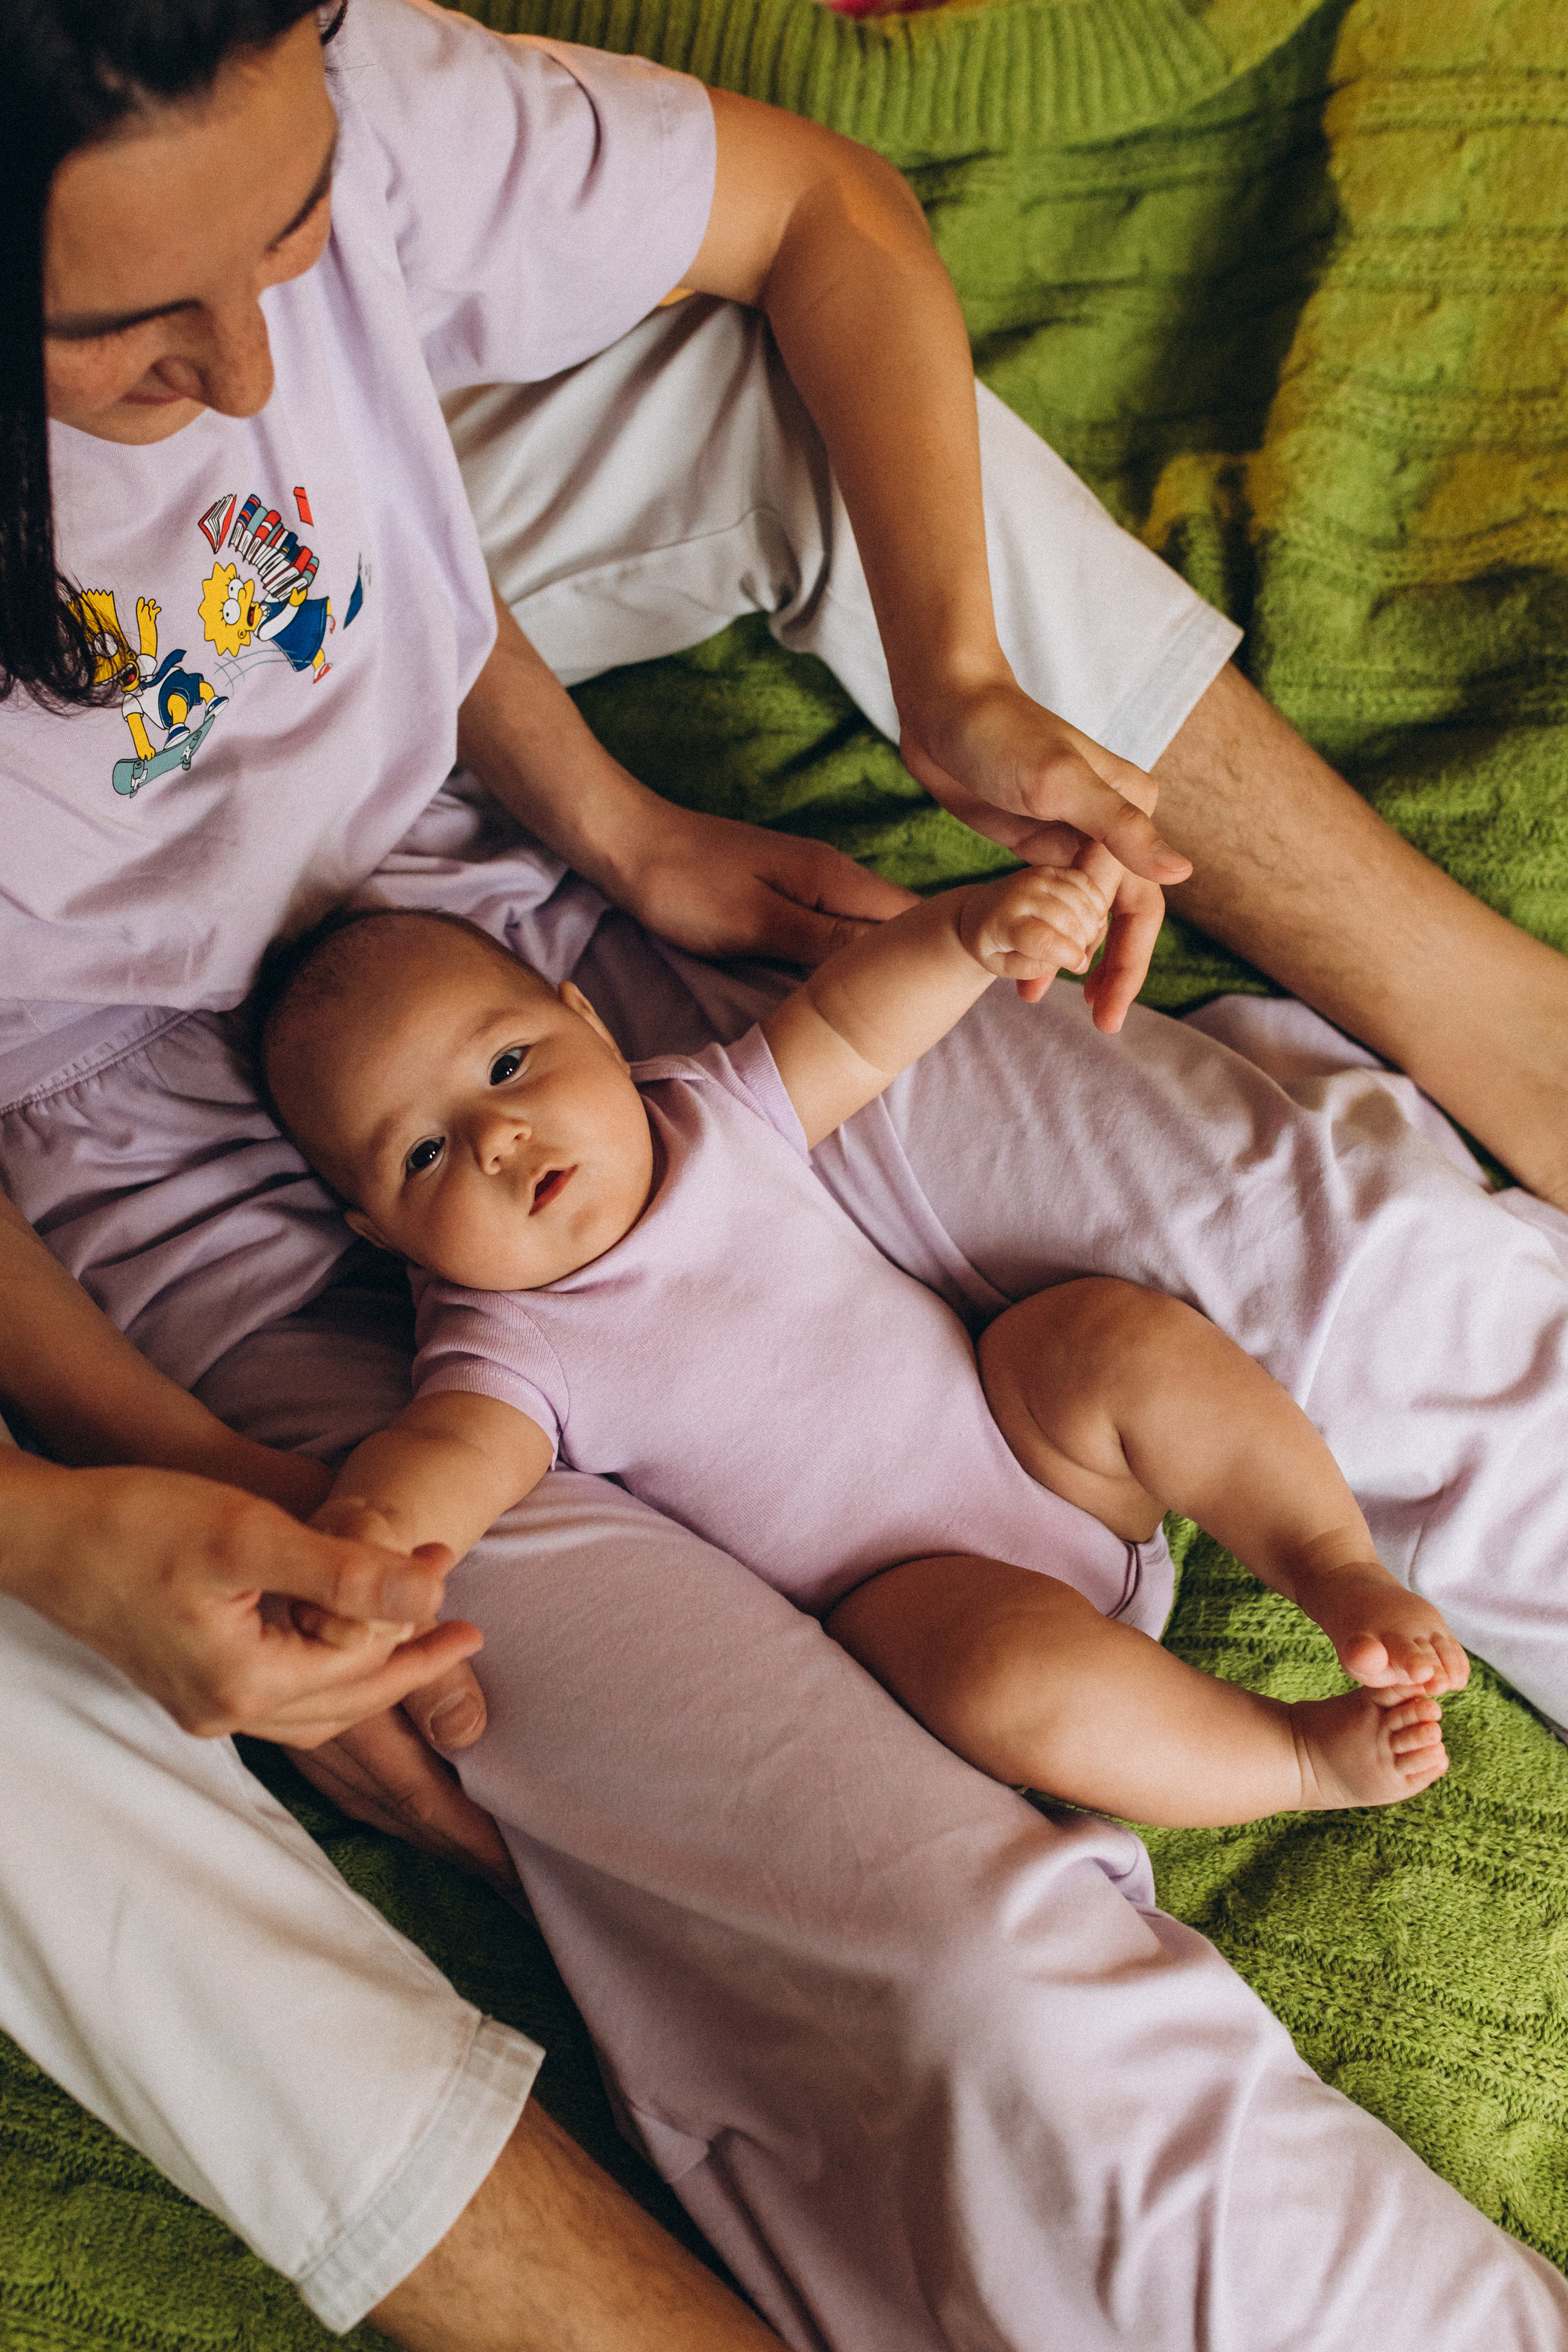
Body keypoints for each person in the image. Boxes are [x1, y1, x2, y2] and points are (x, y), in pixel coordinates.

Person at [6, 0, 1568, 2342]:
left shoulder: (316, 96)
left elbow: (796, 226)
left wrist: (853, 724)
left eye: (295, 241)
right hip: (180, 1203)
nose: (247, 370)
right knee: (971, 1993)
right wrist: (165, 1477)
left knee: (1353, 1271)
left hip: (522, 943)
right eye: (122, 336)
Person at [258, 892, 1461, 1825]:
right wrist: (371, 1540)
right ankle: (1295, 1759)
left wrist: (966, 936)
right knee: (996, 1677)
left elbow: (847, 1023)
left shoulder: (706, 1113)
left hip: (1042, 1450)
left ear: (590, 1023)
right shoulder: (505, 1342)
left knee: (1101, 1337)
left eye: (508, 1065)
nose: (497, 1137)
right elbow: (449, 1455)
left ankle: (1336, 1569)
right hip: (921, 1600)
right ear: (382, 1234)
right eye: (422, 1155)